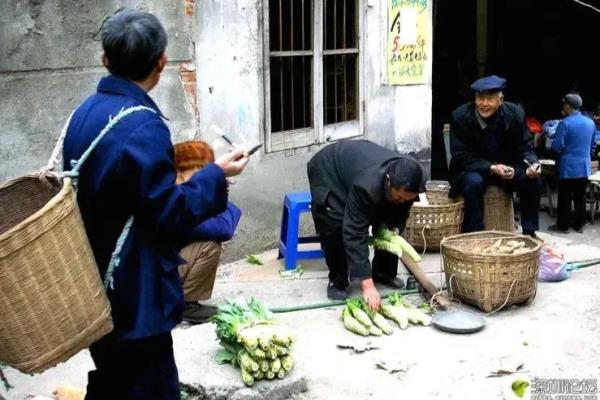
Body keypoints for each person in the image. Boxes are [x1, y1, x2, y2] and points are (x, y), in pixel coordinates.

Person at [62, 10, 249, 399]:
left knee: (114, 377)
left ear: (105, 60)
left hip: (93, 280)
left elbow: (121, 192)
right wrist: (216, 174)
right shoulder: (144, 124)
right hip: (134, 291)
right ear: (162, 62)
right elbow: (169, 214)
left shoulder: (84, 114)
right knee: (151, 385)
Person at [307, 139, 426, 310]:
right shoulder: (366, 187)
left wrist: (395, 228)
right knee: (335, 222)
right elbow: (354, 231)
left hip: (358, 167)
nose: (401, 201)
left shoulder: (417, 177)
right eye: (398, 196)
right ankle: (337, 280)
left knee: (389, 222)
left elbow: (403, 207)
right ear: (388, 181)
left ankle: (383, 272)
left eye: (404, 198)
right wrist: (367, 285)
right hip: (330, 169)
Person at [448, 75, 542, 237]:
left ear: (501, 100)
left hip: (506, 168)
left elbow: (525, 147)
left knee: (533, 180)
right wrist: (490, 167)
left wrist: (533, 164)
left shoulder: (515, 114)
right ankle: (474, 234)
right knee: (473, 182)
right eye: (480, 98)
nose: (484, 104)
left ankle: (529, 232)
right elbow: (460, 155)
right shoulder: (460, 116)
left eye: (490, 99)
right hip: (473, 168)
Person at [173, 140, 242, 324]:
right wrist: (217, 187)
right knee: (211, 246)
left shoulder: (172, 192)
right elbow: (224, 228)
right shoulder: (178, 200)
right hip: (152, 278)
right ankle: (187, 305)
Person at [549, 93, 596, 233]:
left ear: (568, 107)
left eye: (564, 104)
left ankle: (563, 226)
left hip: (567, 167)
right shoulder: (590, 122)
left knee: (564, 197)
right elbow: (593, 144)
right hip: (583, 166)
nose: (563, 106)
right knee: (580, 196)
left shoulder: (565, 123)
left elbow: (557, 146)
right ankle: (579, 224)